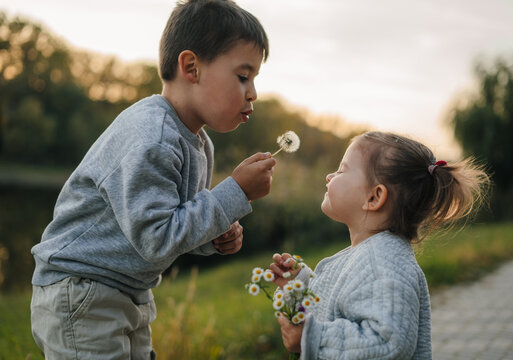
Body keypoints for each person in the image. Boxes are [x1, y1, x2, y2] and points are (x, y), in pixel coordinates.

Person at [30, 0, 275, 358]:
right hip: (82, 288)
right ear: (192, 67)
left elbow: (174, 225)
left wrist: (216, 236)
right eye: (242, 76)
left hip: (126, 290)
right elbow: (157, 238)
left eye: (254, 79)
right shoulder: (153, 136)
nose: (253, 92)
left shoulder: (197, 143)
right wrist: (234, 192)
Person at [270, 131, 489, 359]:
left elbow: (387, 342)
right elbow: (335, 304)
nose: (329, 176)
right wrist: (298, 284)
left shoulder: (384, 263)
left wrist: (313, 338)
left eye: (342, 170)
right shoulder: (369, 254)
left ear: (374, 198)